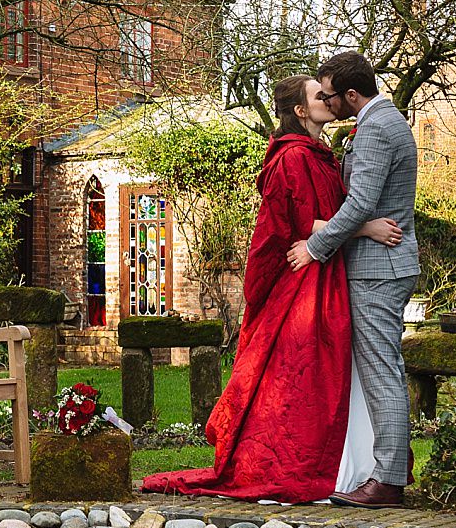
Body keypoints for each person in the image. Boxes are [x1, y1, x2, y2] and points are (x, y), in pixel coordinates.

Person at [141, 75, 400, 503]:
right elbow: (298, 225)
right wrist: (366, 228)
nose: (329, 100)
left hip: (325, 269)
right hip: (303, 278)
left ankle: (354, 467)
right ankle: (309, 463)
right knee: (300, 371)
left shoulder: (321, 154)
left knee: (333, 368)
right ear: (300, 111)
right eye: (320, 97)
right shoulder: (292, 158)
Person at [286, 50, 420, 508]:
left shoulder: (376, 131)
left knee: (382, 373)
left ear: (351, 94)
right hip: (384, 263)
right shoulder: (385, 122)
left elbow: (360, 203)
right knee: (384, 371)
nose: (327, 102)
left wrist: (314, 247)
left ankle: (387, 482)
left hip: (379, 269)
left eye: (330, 95)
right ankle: (389, 467)